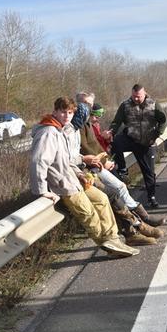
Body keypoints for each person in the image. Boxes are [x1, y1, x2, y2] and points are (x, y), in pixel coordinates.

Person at [30, 97, 138, 258]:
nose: (67, 116)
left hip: (74, 179)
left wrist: (80, 173)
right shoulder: (48, 132)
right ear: (55, 111)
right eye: (63, 112)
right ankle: (107, 244)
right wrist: (41, 190)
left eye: (70, 113)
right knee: (89, 213)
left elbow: (66, 160)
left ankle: (112, 238)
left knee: (102, 199)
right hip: (63, 185)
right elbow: (38, 161)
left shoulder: (60, 130)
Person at [75, 92, 165, 229]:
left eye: (91, 104)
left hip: (98, 163)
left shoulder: (87, 122)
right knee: (115, 192)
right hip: (88, 167)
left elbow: (94, 145)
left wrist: (105, 158)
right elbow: (85, 147)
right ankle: (138, 223)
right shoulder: (78, 123)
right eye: (86, 104)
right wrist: (105, 161)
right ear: (78, 104)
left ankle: (139, 221)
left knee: (119, 189)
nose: (89, 107)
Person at [107, 84, 167, 209]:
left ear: (144, 93)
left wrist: (157, 134)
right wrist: (111, 131)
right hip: (131, 138)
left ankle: (152, 197)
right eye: (134, 96)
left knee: (149, 172)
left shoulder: (153, 104)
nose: (136, 99)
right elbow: (116, 121)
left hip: (146, 142)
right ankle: (122, 168)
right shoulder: (125, 105)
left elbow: (163, 120)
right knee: (116, 142)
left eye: (138, 97)